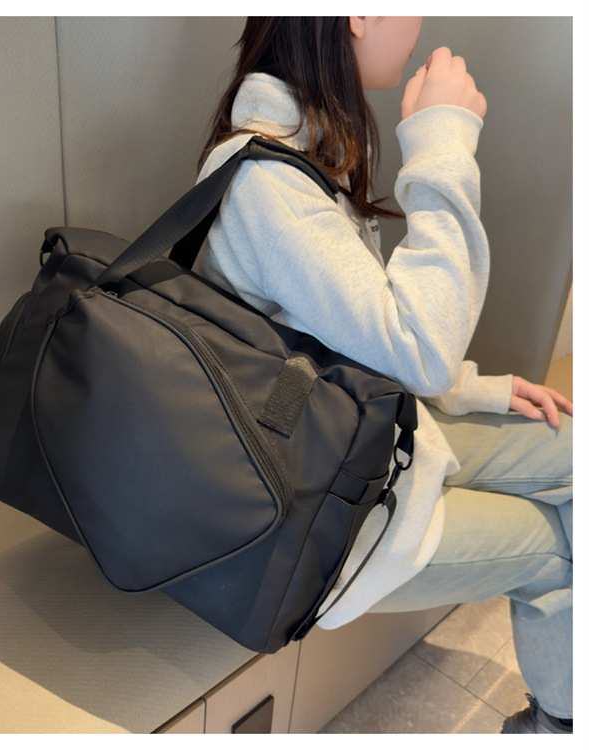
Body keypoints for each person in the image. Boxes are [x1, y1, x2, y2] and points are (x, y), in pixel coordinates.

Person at [194, 17, 573, 734]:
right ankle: (559, 727)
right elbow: (417, 347)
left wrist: (471, 389)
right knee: (560, 553)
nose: (421, 18)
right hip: (316, 506)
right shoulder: (268, 181)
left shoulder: (304, 144)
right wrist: (443, 144)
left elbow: (363, 334)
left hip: (348, 437)